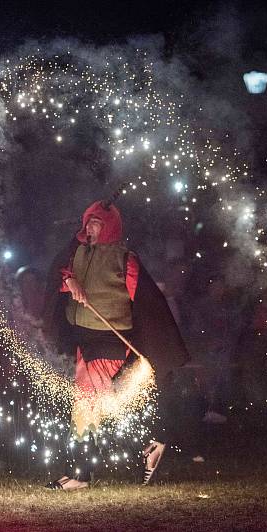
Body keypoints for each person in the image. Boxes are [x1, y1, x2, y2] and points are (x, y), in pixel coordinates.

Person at [43, 198, 190, 490]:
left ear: (109, 227)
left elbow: (147, 303)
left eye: (96, 223)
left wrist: (152, 347)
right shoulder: (78, 253)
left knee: (86, 406)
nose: (90, 229)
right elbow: (58, 273)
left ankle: (81, 474)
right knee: (102, 408)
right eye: (87, 223)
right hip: (84, 341)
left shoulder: (125, 259)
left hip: (109, 342)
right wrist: (70, 281)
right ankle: (150, 444)